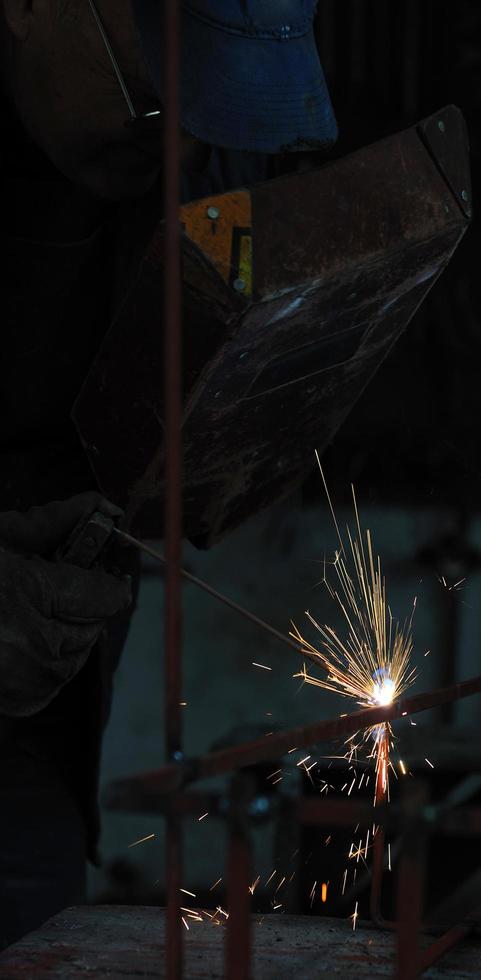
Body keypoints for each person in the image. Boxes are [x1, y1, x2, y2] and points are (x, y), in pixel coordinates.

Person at [0, 0, 337, 948]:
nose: (184, 152)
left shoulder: (177, 141)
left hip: (40, 717)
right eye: (156, 100)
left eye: (222, 118)